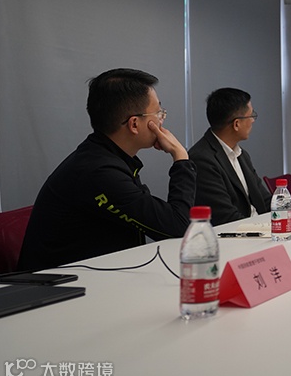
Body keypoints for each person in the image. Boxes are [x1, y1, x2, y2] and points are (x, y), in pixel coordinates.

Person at [18, 69, 196, 271]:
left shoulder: (107, 157)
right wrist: (181, 158)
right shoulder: (98, 172)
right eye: (158, 113)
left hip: (97, 277)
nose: (162, 119)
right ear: (134, 124)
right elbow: (178, 227)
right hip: (58, 286)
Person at [189, 88, 271, 225]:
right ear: (237, 124)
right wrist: (265, 229)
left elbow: (265, 200)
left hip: (259, 228)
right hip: (240, 233)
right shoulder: (201, 160)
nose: (253, 120)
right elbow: (226, 217)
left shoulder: (242, 155)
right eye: (251, 115)